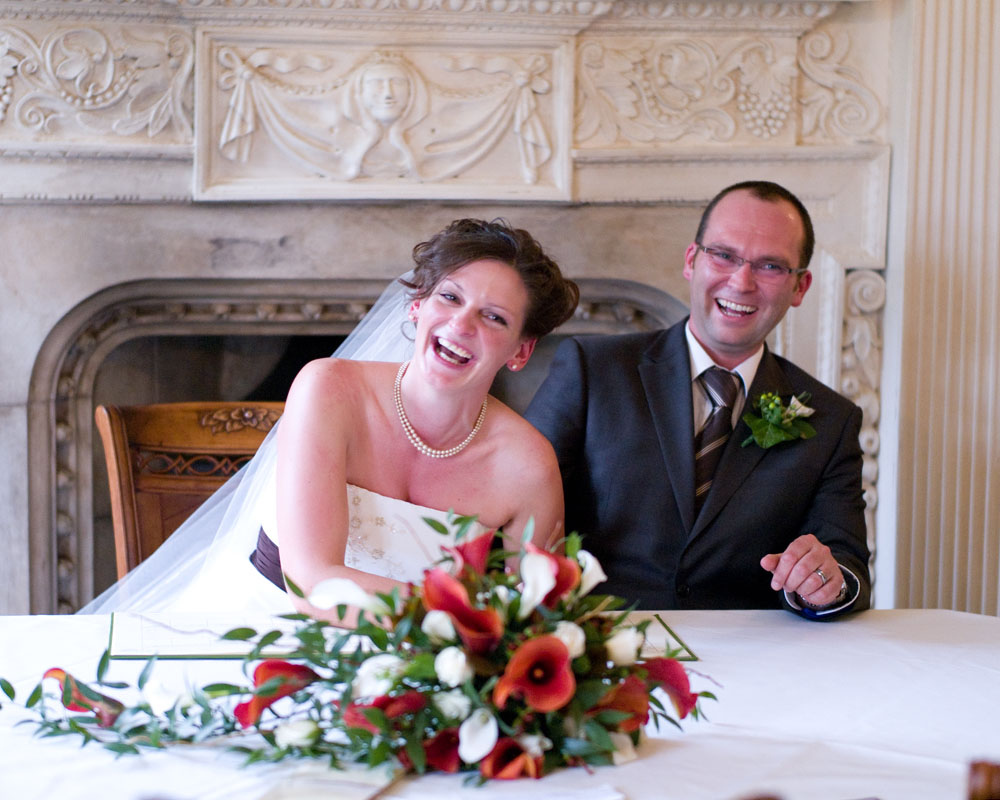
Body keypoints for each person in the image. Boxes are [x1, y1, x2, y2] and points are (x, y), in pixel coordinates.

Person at [83, 219, 579, 620]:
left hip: (428, 675)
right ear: (417, 306)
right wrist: (467, 622)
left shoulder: (528, 466)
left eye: (494, 317)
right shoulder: (330, 389)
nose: (461, 324)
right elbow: (311, 581)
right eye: (450, 297)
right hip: (258, 633)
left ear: (520, 350)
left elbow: (531, 618)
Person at [525, 181, 871, 619]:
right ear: (692, 260)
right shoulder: (591, 370)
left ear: (800, 287)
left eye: (769, 266)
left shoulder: (831, 420)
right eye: (724, 255)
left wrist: (823, 583)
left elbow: (848, 567)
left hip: (755, 662)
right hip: (597, 649)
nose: (741, 282)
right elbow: (516, 510)